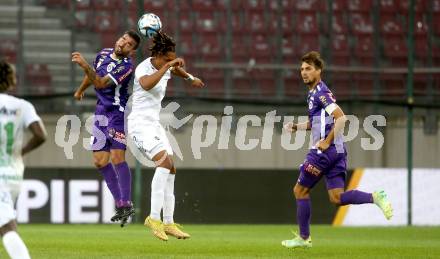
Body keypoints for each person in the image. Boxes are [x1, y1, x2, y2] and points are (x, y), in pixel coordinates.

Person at [281, 51, 393, 249]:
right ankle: (375, 197)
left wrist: (326, 141)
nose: (304, 73)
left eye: (308, 69)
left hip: (325, 151)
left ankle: (304, 238)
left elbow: (341, 117)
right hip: (338, 152)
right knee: (336, 198)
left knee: (299, 190)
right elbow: (317, 122)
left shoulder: (320, 93)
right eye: (301, 69)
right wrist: (297, 127)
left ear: (319, 71)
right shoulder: (314, 93)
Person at [127, 32, 204, 241]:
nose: (171, 63)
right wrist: (168, 66)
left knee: (171, 167)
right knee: (164, 162)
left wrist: (190, 77)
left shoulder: (166, 66)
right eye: (168, 59)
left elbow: (175, 70)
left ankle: (168, 222)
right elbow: (146, 84)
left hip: (154, 124)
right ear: (159, 55)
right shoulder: (144, 68)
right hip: (139, 125)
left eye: (172, 60)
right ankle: (153, 218)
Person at [72, 30, 140, 226]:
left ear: (132, 51)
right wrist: (80, 90)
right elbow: (94, 75)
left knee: (117, 157)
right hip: (101, 112)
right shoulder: (103, 53)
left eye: (128, 44)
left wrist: (85, 66)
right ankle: (121, 203)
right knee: (100, 161)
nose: (122, 43)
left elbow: (101, 84)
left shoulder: (126, 66)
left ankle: (125, 202)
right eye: (122, 39)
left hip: (116, 113)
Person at [0, 60, 47, 259]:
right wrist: (21, 151)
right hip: (13, 174)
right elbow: (40, 134)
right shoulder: (22, 105)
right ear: (11, 81)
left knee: (7, 227)